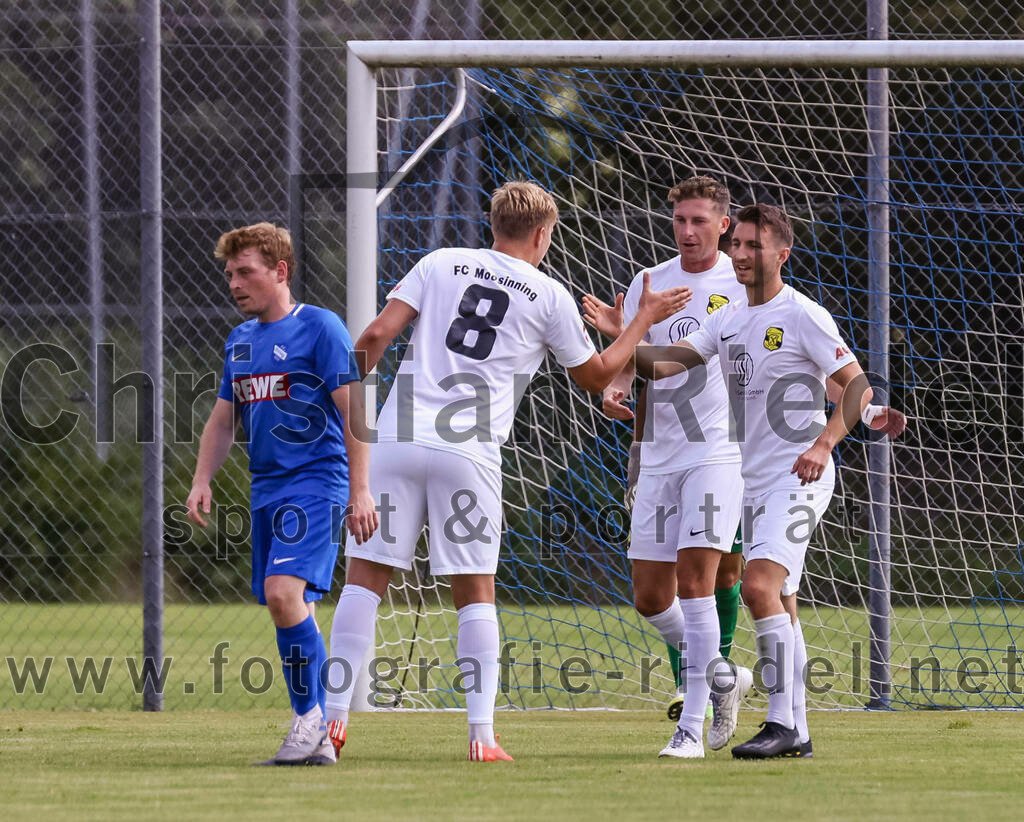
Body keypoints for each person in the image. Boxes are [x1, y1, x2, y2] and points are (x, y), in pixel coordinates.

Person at [321, 180, 693, 762]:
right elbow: (597, 377)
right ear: (544, 235)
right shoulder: (547, 294)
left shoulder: (442, 261)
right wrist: (640, 320)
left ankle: (332, 726)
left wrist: (352, 400)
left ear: (492, 223)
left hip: (395, 441)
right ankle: (482, 737)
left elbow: (372, 337)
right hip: (467, 455)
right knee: (475, 594)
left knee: (365, 580)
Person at [636, 203, 893, 758]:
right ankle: (796, 730)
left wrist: (823, 445)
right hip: (752, 483)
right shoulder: (727, 317)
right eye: (740, 245)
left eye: (755, 245)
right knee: (784, 601)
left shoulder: (802, 314)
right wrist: (623, 334)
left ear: (783, 253)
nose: (743, 254)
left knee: (757, 587)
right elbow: (665, 363)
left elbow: (857, 388)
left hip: (799, 477)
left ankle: (782, 725)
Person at [186, 223, 378, 766]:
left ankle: (311, 723)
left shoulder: (320, 328)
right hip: (266, 489)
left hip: (317, 482)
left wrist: (361, 491)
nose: (234, 283)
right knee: (289, 608)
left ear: (280, 271)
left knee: (280, 593)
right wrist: (202, 479)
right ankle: (317, 731)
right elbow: (223, 421)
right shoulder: (240, 341)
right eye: (229, 274)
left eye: (245, 271)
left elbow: (355, 414)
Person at [581, 176, 753, 759]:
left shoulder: (741, 284)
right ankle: (723, 674)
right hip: (657, 453)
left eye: (700, 221)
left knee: (699, 584)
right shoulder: (649, 282)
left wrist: (620, 341)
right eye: (679, 220)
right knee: (651, 596)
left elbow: (686, 361)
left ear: (724, 225)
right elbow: (633, 358)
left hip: (718, 452)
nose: (687, 231)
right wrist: (616, 387)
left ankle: (691, 729)